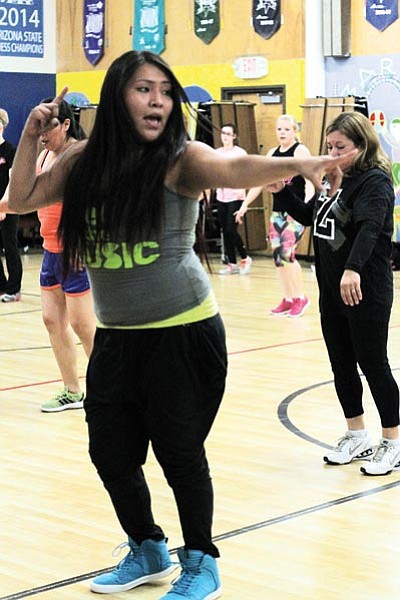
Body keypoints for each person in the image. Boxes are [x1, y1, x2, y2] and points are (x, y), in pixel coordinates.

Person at [8, 51, 356, 598]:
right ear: (118, 95)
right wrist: (29, 135)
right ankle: (148, 548)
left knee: (178, 452)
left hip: (183, 334)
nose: (158, 101)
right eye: (145, 89)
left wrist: (297, 164)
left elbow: (234, 169)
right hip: (119, 337)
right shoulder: (81, 162)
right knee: (110, 453)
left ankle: (200, 560)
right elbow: (19, 198)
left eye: (166, 92)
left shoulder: (178, 159)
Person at [264, 111, 400, 476]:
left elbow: (371, 230)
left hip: (365, 288)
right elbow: (313, 217)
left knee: (373, 364)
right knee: (341, 364)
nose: (333, 153)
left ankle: (393, 441)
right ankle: (356, 434)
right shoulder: (333, 179)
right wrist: (283, 194)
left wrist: (353, 269)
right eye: (329, 146)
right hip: (331, 289)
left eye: (341, 147)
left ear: (362, 145)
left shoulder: (375, 181)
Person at [35, 99, 96, 412]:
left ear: (66, 124)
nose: (42, 134)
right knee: (51, 320)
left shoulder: (79, 155)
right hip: (50, 249)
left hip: (75, 248)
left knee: (84, 326)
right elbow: (24, 194)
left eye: (49, 127)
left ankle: (111, 389)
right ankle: (73, 391)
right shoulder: (44, 154)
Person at [236, 115, 312, 317]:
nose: (282, 133)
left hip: (295, 212)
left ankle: (300, 297)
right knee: (278, 257)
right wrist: (244, 204)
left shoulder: (300, 151)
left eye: (287, 129)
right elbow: (260, 182)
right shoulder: (272, 153)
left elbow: (311, 180)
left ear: (295, 130)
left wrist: (309, 206)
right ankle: (287, 298)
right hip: (277, 213)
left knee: (287, 253)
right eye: (279, 129)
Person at [214, 123, 252, 275]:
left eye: (228, 133)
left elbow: (245, 174)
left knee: (231, 229)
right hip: (221, 196)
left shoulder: (240, 153)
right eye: (223, 133)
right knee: (224, 231)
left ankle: (245, 257)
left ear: (234, 136)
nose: (225, 136)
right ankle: (231, 263)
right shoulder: (216, 153)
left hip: (236, 196)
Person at [0, 108, 23, 303]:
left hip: (8, 205)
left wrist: (3, 207)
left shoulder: (10, 151)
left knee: (10, 246)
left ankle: (14, 289)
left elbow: (11, 181)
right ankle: (1, 286)